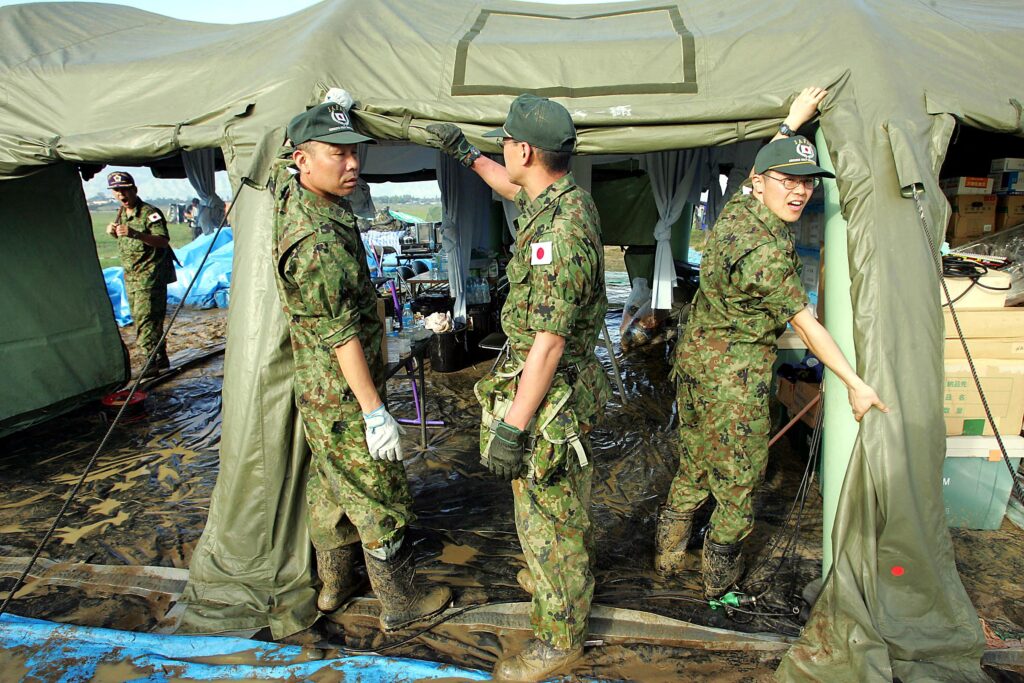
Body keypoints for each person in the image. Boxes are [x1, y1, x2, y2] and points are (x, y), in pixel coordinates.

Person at [654, 88, 889, 598]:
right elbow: (807, 326)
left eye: (807, 182)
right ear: (761, 185)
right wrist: (854, 383)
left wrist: (790, 124)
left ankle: (668, 556)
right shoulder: (764, 252)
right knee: (738, 487)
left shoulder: (739, 211)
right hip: (731, 383)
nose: (800, 191)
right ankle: (718, 585)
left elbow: (770, 165)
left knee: (694, 465)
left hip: (695, 369)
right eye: (789, 181)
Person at [425, 94, 611, 682]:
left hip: (550, 395)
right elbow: (511, 187)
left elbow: (548, 345)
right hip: (551, 385)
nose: (503, 150)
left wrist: (513, 427)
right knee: (548, 507)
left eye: (506, 142)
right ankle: (559, 575)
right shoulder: (553, 197)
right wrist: (466, 155)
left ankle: (559, 638)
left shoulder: (562, 229)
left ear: (525, 149)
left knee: (548, 514)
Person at [270, 101, 450, 634]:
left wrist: (330, 109)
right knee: (378, 492)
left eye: (354, 152)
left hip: (319, 388)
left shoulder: (297, 194)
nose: (352, 164)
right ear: (303, 158)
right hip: (344, 390)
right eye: (337, 153)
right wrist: (375, 411)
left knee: (330, 487)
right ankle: (400, 602)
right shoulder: (316, 241)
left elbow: (283, 164)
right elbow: (342, 332)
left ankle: (335, 584)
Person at [105, 171, 177, 377]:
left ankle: (149, 363)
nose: (121, 195)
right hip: (131, 276)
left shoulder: (149, 213)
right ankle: (160, 358)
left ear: (134, 190)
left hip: (150, 275)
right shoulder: (121, 213)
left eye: (124, 190)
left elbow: (162, 241)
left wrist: (135, 233)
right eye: (116, 191)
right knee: (145, 318)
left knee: (146, 319)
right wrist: (114, 232)